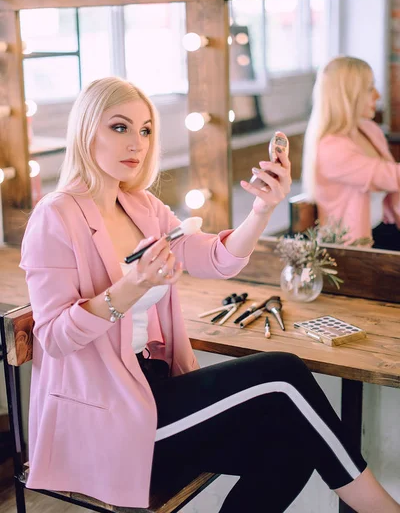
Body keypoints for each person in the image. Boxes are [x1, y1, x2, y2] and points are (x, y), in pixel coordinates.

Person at [20, 77, 399, 513]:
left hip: (156, 388)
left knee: (293, 442)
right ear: (87, 131)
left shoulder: (141, 206)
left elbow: (216, 259)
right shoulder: (55, 216)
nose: (137, 143)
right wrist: (130, 287)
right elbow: (54, 337)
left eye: (145, 130)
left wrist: (262, 210)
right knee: (283, 371)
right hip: (109, 417)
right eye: (120, 127)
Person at [302, 55, 400, 249]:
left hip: (383, 227)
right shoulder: (331, 148)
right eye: (370, 88)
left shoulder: (369, 130)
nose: (377, 95)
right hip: (354, 246)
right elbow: (389, 176)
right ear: (348, 95)